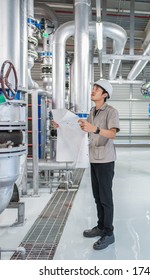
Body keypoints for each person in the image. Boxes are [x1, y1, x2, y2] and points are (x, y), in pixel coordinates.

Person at [53, 79, 119, 250]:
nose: (93, 90)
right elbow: (83, 128)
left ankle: (109, 233)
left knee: (106, 198)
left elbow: (112, 134)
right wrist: (62, 125)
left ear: (105, 94)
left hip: (105, 159)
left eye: (97, 88)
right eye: (93, 87)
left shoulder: (111, 112)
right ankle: (100, 226)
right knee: (97, 197)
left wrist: (95, 129)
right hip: (94, 158)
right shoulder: (93, 111)